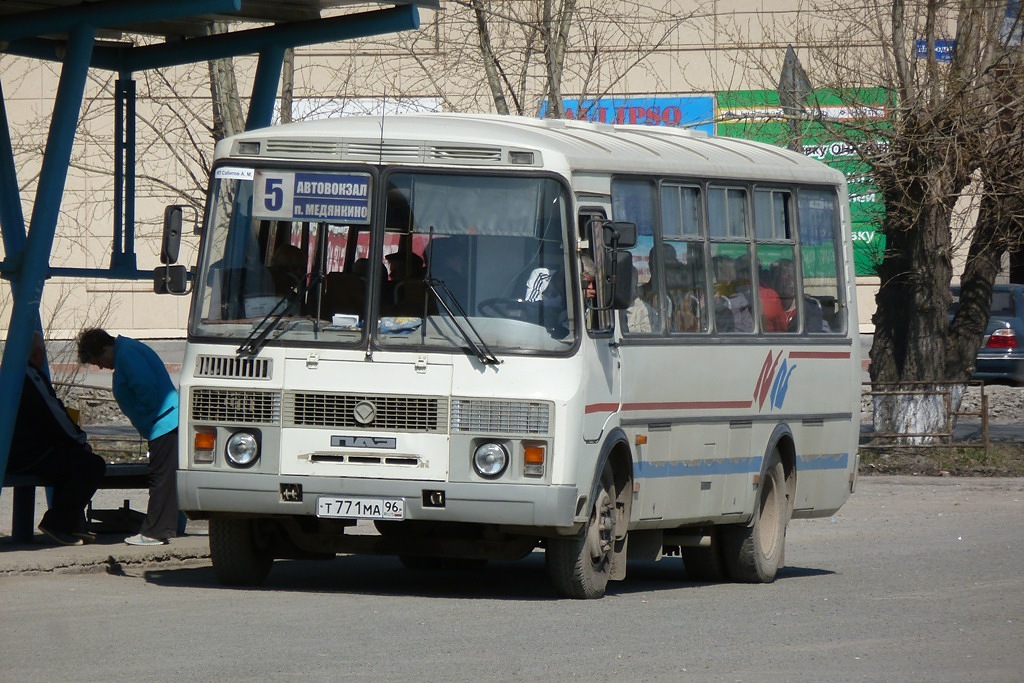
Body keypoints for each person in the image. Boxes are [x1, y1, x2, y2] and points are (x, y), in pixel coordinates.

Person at [77, 328, 180, 546]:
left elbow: (145, 387)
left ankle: (156, 532)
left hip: (163, 422)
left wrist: (144, 413)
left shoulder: (127, 355)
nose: (100, 366)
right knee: (165, 477)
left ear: (104, 348)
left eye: (98, 360)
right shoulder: (127, 351)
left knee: (161, 478)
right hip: (163, 422)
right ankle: (164, 528)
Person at [6, 332, 106, 546]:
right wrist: (81, 440)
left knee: (68, 461)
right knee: (91, 465)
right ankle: (57, 523)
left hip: (13, 452)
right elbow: (55, 415)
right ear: (37, 352)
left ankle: (70, 524)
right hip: (27, 455)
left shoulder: (8, 373)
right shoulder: (29, 375)